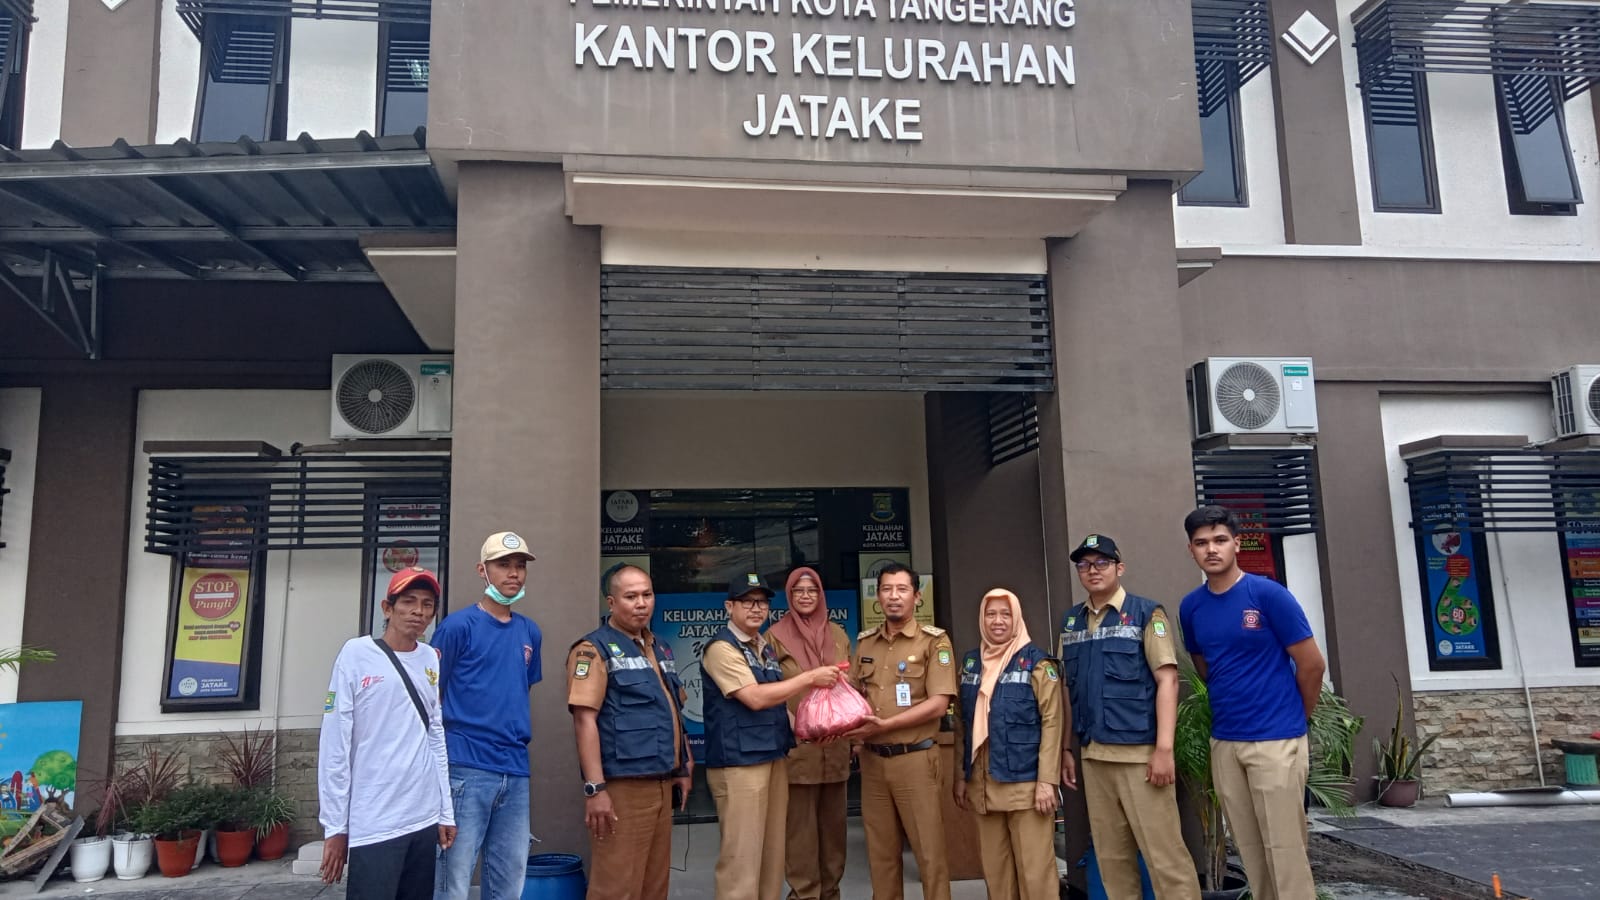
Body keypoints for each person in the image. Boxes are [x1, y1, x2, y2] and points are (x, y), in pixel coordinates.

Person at [1179, 506, 1328, 900]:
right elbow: (1206, 666)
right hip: (1225, 741)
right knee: (1249, 849)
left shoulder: (1268, 595)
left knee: (1285, 850)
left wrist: (1298, 718)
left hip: (1277, 739)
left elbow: (1312, 665)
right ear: (1191, 550)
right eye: (1201, 543)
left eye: (1220, 540)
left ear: (1237, 543)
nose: (1211, 549)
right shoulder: (1191, 607)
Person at [1058, 534, 1200, 900]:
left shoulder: (1145, 614)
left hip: (1140, 757)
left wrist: (1164, 750)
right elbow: (1066, 691)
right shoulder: (1071, 622)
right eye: (1084, 565)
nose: (1092, 571)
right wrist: (1066, 749)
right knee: (1111, 861)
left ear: (1119, 568)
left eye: (1101, 563)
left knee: (1165, 858)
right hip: (1093, 757)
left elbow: (1167, 680)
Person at [701, 573, 841, 900]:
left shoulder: (763, 647)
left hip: (773, 757)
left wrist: (808, 730)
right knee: (742, 863)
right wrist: (810, 679)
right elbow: (755, 698)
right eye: (747, 602)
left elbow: (776, 708)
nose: (756, 608)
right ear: (729, 606)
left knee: (771, 859)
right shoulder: (722, 648)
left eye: (762, 602)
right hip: (740, 765)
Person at [318, 566, 456, 900]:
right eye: (408, 601)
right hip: (374, 821)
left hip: (422, 818)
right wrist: (336, 827)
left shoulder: (430, 659)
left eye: (427, 604)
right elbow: (335, 743)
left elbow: (435, 735)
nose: (418, 611)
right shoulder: (355, 654)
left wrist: (445, 810)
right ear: (387, 608)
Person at [567, 564, 693, 900]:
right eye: (631, 596)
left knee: (654, 886)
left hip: (663, 783)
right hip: (622, 789)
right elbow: (584, 721)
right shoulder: (593, 650)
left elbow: (672, 711)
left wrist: (683, 766)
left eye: (647, 595)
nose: (641, 603)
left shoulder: (660, 648)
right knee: (617, 887)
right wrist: (595, 789)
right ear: (611, 602)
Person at [432, 532, 544, 900]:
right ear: (483, 570)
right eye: (503, 565)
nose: (513, 573)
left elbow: (517, 691)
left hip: (515, 769)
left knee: (509, 881)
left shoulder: (530, 631)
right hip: (465, 767)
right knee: (454, 880)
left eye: (519, 566)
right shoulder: (457, 627)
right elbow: (432, 693)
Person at [847, 563, 956, 900]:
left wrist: (887, 725)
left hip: (915, 759)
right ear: (877, 596)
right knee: (881, 855)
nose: (894, 596)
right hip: (873, 762)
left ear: (916, 596)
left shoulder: (933, 642)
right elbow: (853, 697)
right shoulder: (865, 643)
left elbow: (939, 704)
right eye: (887, 589)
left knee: (929, 854)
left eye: (902, 589)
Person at [953, 588, 1062, 900]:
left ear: (1017, 618)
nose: (997, 621)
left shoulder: (1038, 663)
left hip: (1026, 788)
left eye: (1005, 614)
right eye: (991, 614)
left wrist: (1047, 781)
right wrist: (961, 777)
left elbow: (1053, 723)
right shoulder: (971, 663)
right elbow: (963, 724)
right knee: (997, 875)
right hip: (983, 787)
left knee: (1035, 875)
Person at [766, 566, 852, 900]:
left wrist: (855, 738)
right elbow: (769, 689)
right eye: (798, 591)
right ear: (789, 596)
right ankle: (804, 895)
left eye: (812, 590)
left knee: (834, 833)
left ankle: (831, 893)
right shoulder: (774, 636)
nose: (805, 596)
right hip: (798, 750)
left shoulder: (838, 634)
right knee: (799, 834)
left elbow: (853, 686)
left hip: (837, 747)